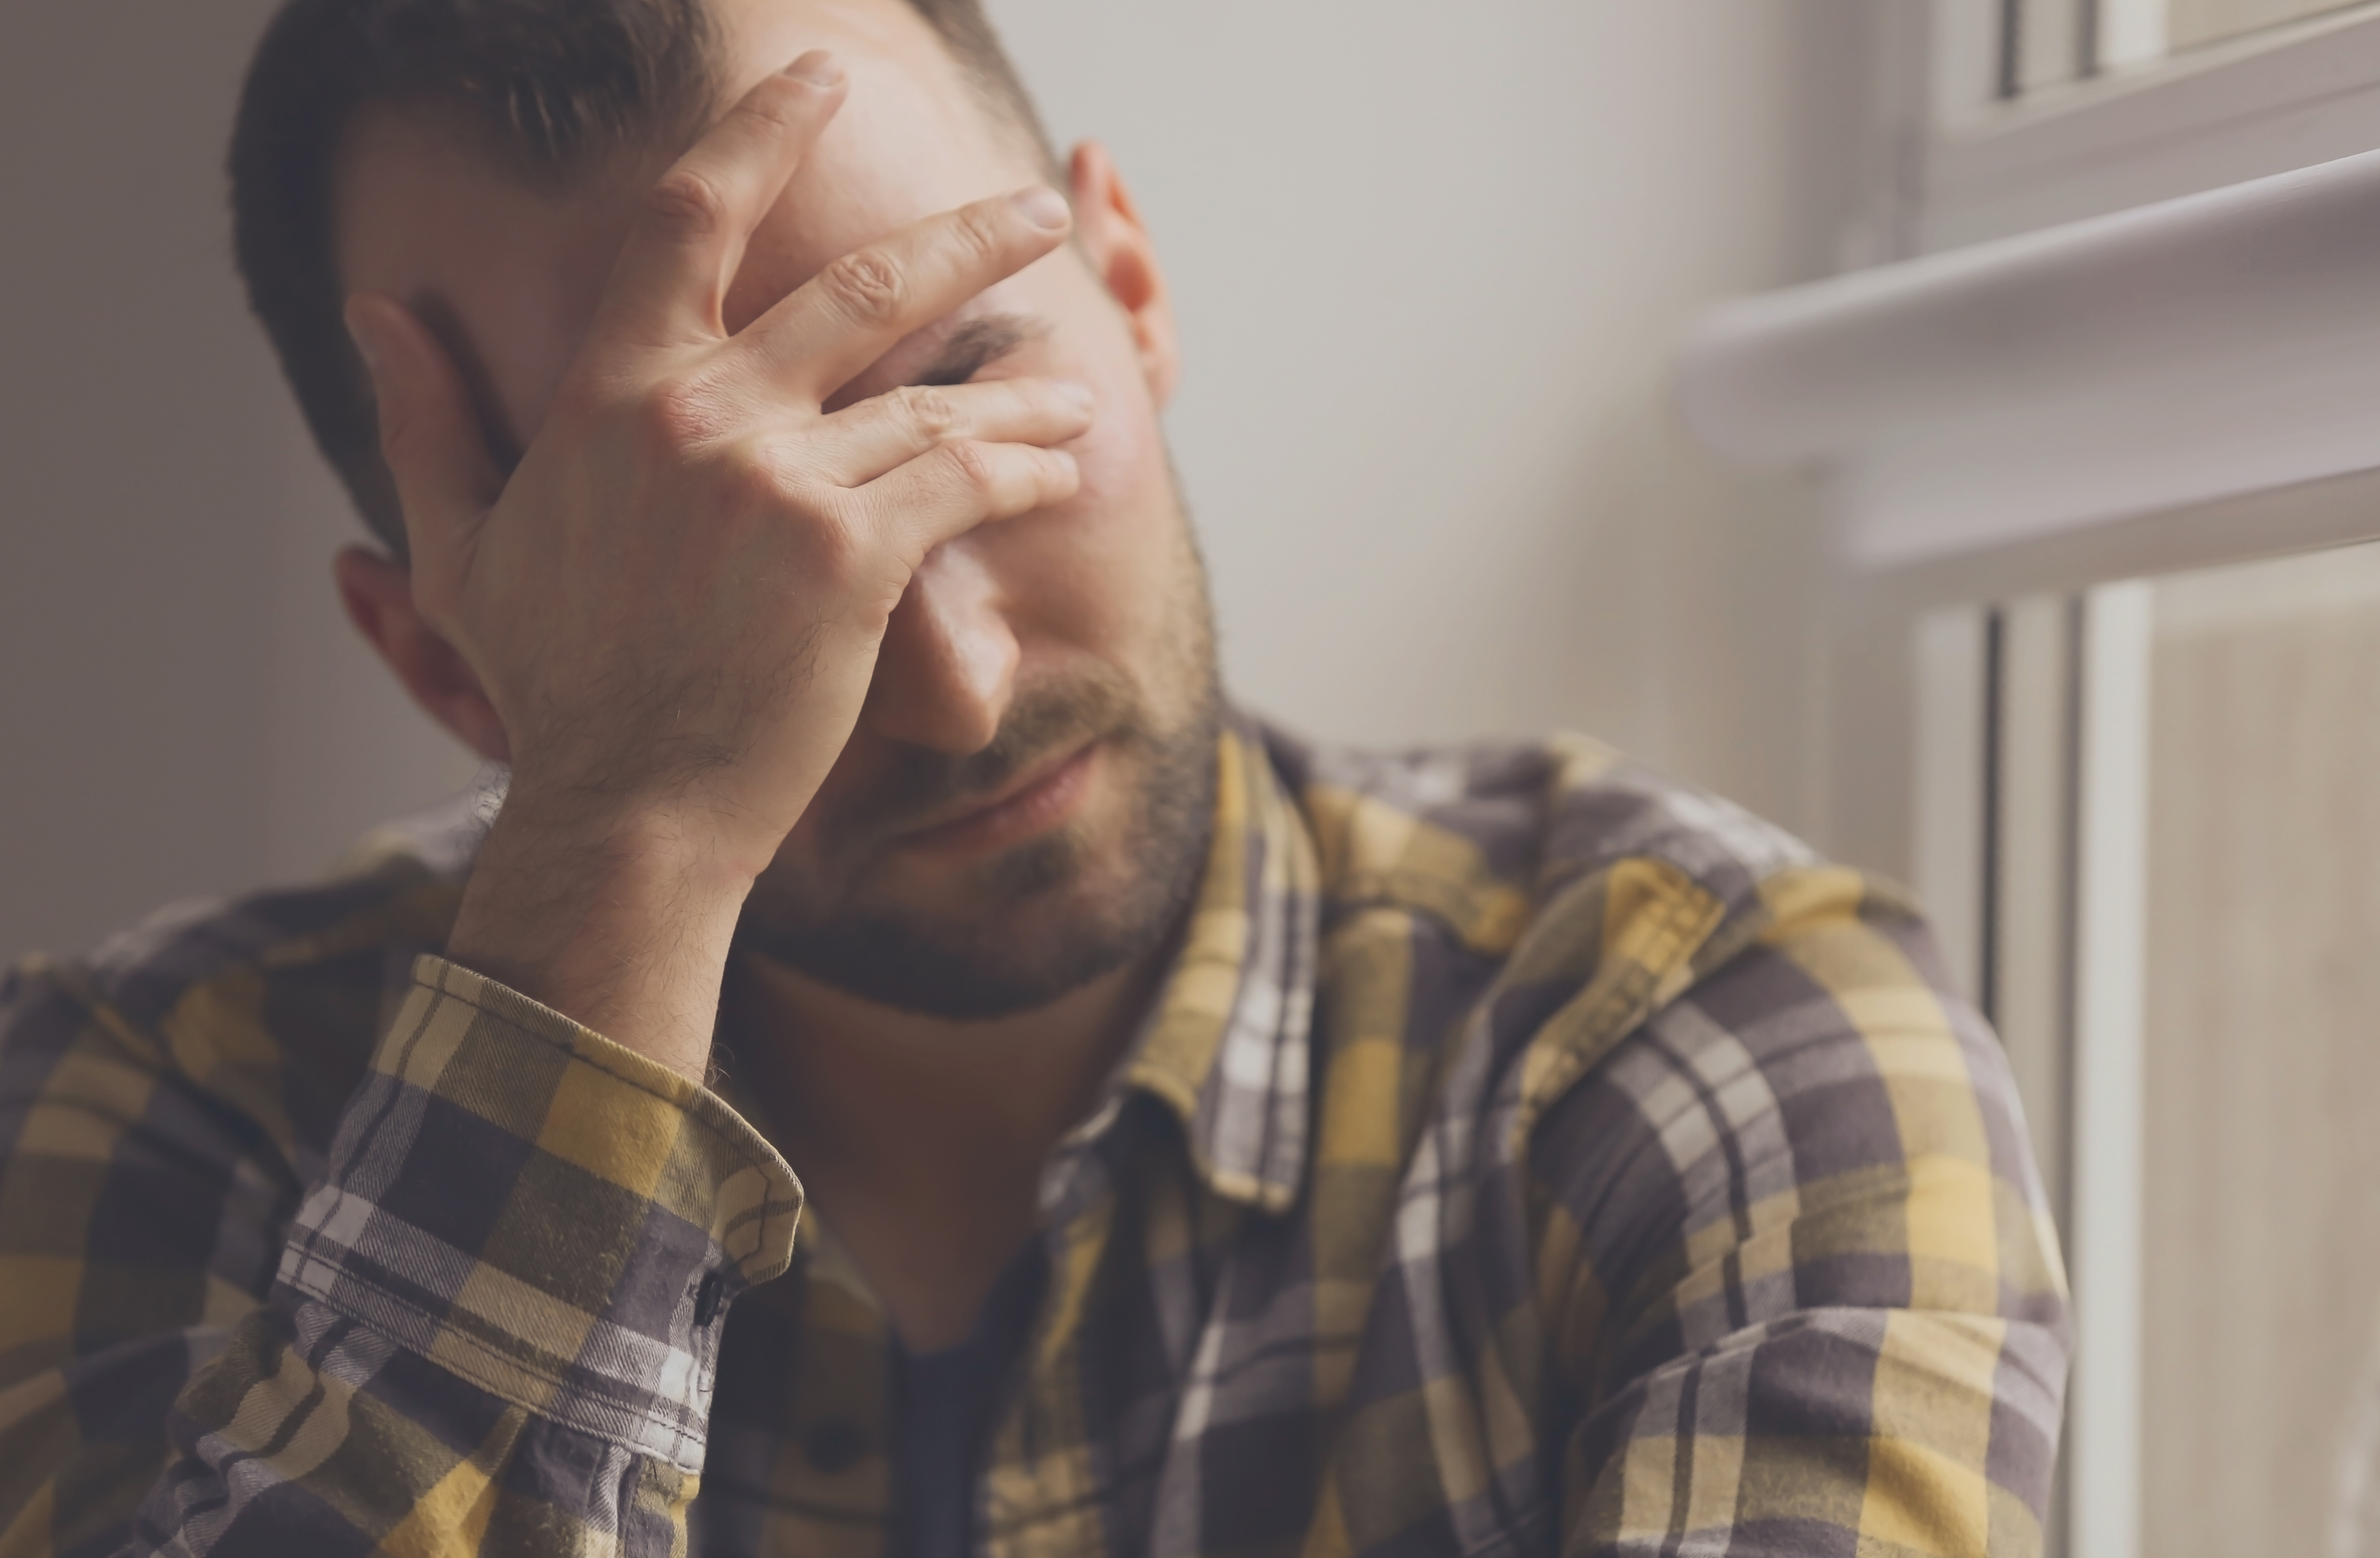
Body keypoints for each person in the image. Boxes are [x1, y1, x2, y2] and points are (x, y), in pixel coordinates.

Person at [0, 0, 2071, 1553]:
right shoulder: (156, 1104)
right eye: (681, 552)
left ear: (1133, 288)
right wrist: (624, 835)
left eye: (964, 400)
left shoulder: (1698, 1036)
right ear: (438, 650)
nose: (955, 688)